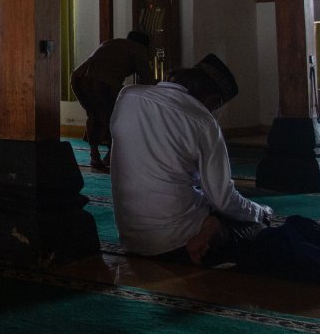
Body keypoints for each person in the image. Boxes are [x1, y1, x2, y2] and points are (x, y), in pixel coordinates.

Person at [109, 54, 273, 266]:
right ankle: (210, 231)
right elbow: (222, 199)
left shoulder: (128, 96)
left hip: (131, 240)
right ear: (213, 99)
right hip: (176, 240)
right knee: (255, 228)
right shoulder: (203, 121)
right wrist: (260, 212)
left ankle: (210, 226)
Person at [70, 30, 152, 170]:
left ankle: (95, 155)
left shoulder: (111, 43)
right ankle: (110, 155)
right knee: (113, 117)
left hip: (79, 78)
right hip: (103, 83)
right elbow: (147, 80)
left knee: (94, 115)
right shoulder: (139, 49)